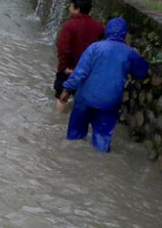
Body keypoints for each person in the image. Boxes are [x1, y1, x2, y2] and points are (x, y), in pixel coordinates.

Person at [57, 17, 149, 152]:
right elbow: (141, 73)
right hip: (109, 102)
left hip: (85, 99)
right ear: (124, 34)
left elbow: (79, 72)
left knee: (74, 136)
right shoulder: (130, 53)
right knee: (102, 140)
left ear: (107, 31)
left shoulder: (95, 47)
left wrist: (67, 90)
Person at [54, 0, 104, 98]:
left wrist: (63, 68)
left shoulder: (69, 25)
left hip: (69, 70)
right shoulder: (98, 26)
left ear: (78, 10)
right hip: (86, 72)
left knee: (61, 98)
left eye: (71, 6)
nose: (69, 8)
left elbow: (63, 48)